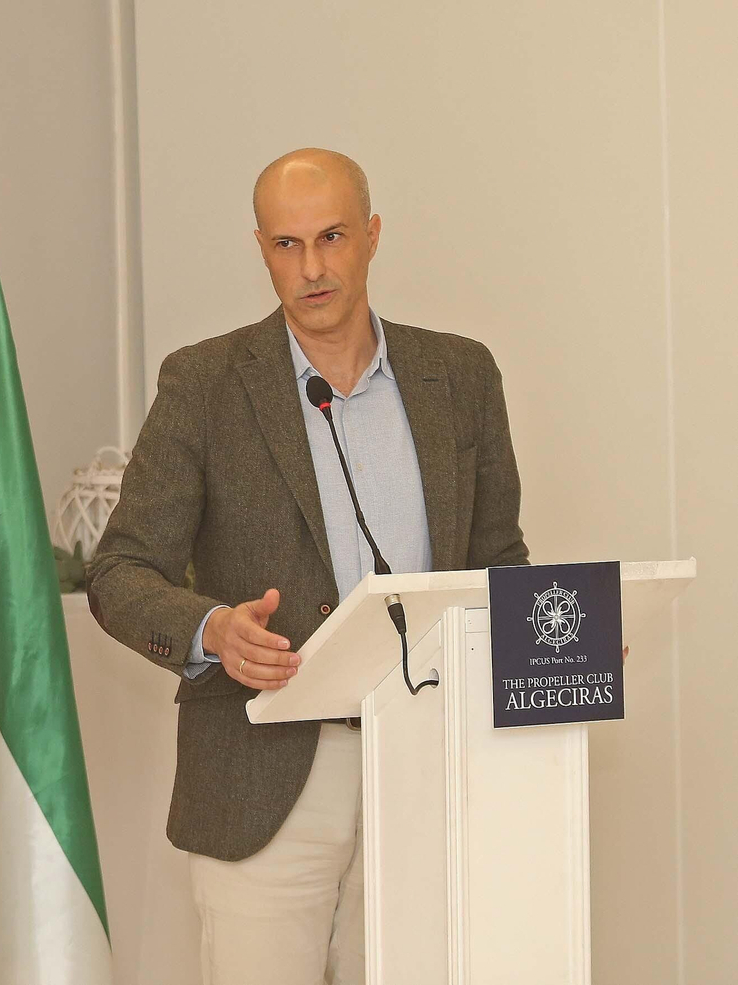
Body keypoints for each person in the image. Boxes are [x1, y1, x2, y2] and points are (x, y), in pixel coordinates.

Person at [86, 148, 528, 984]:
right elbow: (121, 569)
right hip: (263, 779)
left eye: (331, 237)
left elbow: (498, 562)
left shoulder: (460, 376)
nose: (313, 267)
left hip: (426, 764)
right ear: (261, 248)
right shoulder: (205, 383)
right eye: (287, 245)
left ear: (371, 236)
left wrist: (563, 644)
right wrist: (211, 627)